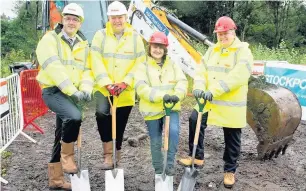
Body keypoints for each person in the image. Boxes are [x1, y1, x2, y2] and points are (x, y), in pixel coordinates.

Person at [178, 16, 254, 188]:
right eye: (219, 34)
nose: (222, 37)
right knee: (194, 120)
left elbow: (238, 76)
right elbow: (201, 70)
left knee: (232, 137)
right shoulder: (212, 50)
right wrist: (198, 86)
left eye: (225, 33)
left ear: (233, 32)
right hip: (208, 100)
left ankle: (230, 170)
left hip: (230, 104)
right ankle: (197, 156)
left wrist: (214, 90)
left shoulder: (243, 51)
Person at [36, 3, 93, 190]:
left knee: (60, 133)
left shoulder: (82, 45)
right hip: (53, 90)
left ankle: (56, 180)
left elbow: (87, 70)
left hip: (71, 93)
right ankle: (67, 157)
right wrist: (73, 91)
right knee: (75, 117)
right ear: (62, 19)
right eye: (68, 18)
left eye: (75, 19)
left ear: (80, 23)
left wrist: (85, 89)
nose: (71, 22)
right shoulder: (50, 39)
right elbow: (55, 68)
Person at [90, 1, 146, 169]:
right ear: (109, 18)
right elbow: (95, 60)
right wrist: (107, 83)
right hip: (103, 89)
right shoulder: (100, 35)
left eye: (120, 17)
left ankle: (117, 156)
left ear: (126, 18)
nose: (117, 21)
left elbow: (140, 63)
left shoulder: (135, 37)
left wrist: (125, 82)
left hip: (125, 90)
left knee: (120, 124)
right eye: (113, 18)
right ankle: (108, 156)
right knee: (102, 116)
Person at [135, 31, 188, 176]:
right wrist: (162, 96)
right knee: (156, 140)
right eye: (154, 46)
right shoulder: (142, 65)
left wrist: (177, 95)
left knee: (173, 133)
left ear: (165, 49)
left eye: (160, 47)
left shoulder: (172, 64)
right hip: (151, 110)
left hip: (171, 108)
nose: (157, 50)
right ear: (150, 47)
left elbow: (182, 81)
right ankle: (159, 170)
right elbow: (141, 87)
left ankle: (169, 166)